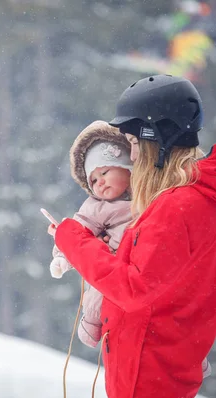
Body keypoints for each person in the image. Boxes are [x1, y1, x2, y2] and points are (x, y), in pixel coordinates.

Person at [48, 74, 216, 398]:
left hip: (147, 374)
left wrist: (73, 238)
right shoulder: (195, 199)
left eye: (136, 144)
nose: (134, 156)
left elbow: (132, 286)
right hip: (157, 368)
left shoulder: (177, 207)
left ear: (159, 140)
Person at [49, 120, 133, 348]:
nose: (100, 182)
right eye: (93, 180)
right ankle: (90, 329)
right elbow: (79, 230)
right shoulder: (97, 206)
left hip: (141, 265)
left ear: (128, 168)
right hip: (114, 262)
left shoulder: (149, 195)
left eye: (105, 171)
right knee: (97, 295)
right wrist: (62, 258)